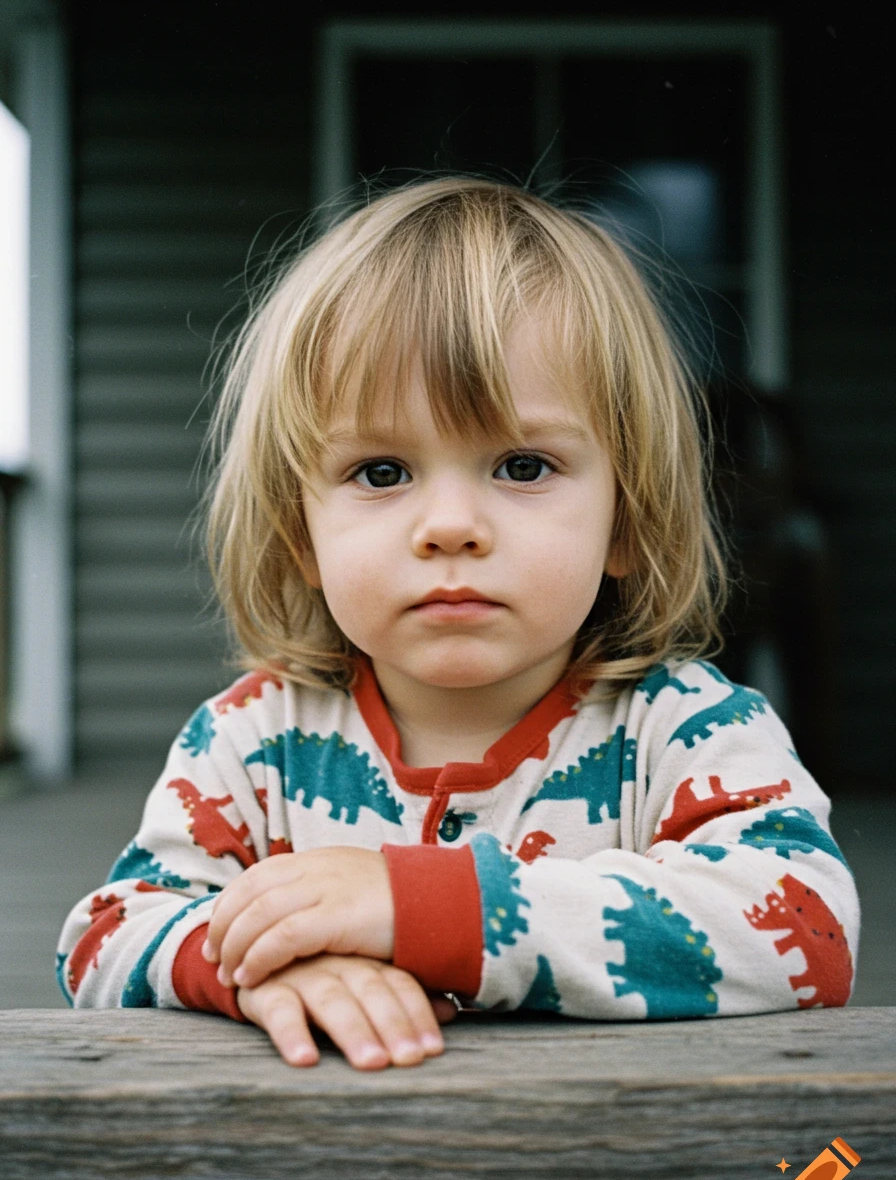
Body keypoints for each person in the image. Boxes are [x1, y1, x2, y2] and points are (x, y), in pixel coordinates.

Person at [55, 177, 860, 1072]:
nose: (449, 525)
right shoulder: (252, 742)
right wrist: (251, 969)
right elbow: (106, 930)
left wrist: (428, 908)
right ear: (303, 537)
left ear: (626, 520)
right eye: (381, 471)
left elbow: (802, 924)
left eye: (521, 464)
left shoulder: (688, 731)